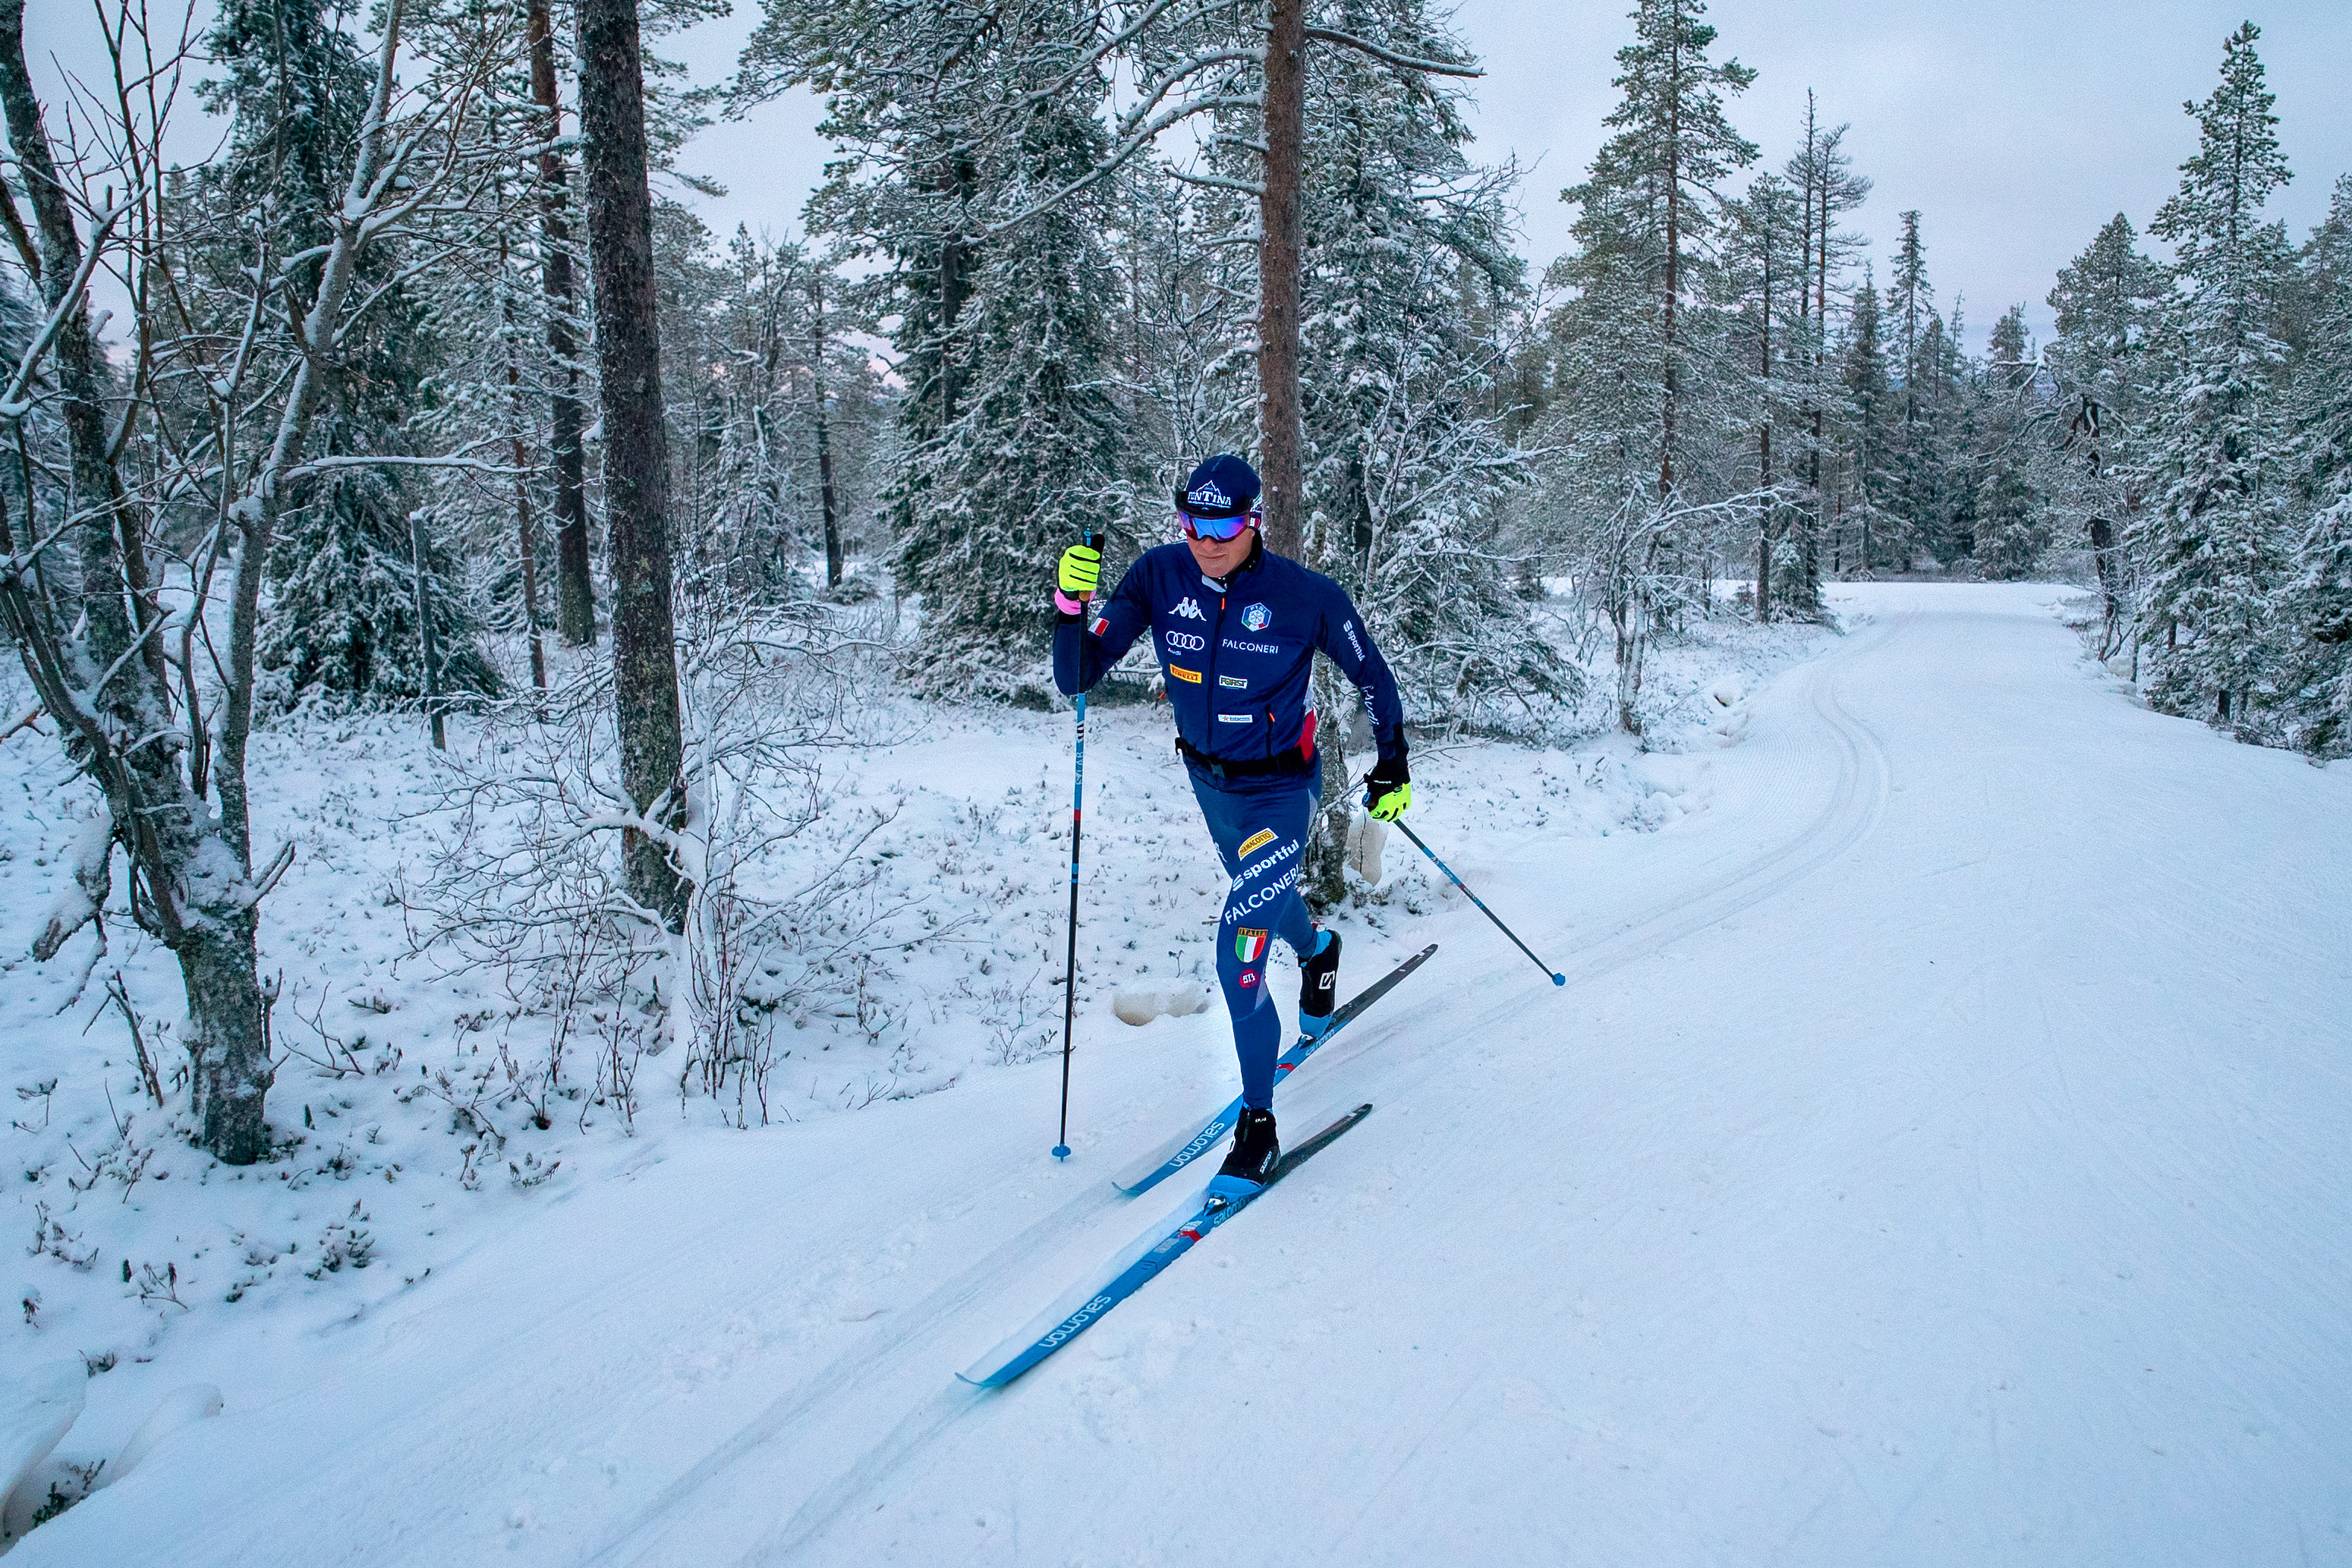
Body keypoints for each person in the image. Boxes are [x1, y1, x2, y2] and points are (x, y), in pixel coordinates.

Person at [1052, 455, 1412, 1183]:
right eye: (1193, 521)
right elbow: (1077, 676)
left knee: (1237, 953)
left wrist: (1393, 762)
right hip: (1208, 784)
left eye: (1222, 523)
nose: (1206, 539)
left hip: (1280, 791)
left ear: (1253, 521)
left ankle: (1258, 1122)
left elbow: (1371, 673)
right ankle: (1317, 949)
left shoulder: (1305, 596)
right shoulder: (1159, 576)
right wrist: (1067, 606)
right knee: (1268, 904)